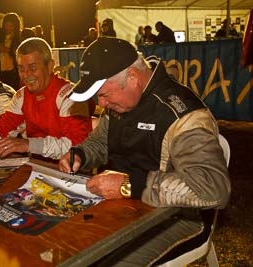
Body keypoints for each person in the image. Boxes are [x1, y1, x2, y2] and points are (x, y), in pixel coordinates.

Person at [59, 37, 231, 265]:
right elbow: (100, 143)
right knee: (62, 244)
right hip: (121, 209)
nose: (101, 104)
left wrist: (130, 185)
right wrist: (80, 154)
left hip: (176, 218)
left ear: (132, 77)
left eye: (104, 95)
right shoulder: (120, 101)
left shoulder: (185, 115)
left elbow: (213, 188)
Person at [0, 38, 92, 167]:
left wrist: (28, 145)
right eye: (21, 68)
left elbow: (76, 146)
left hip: (72, 171)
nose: (26, 75)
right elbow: (0, 130)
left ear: (50, 66)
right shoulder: (22, 95)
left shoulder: (71, 95)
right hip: (41, 167)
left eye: (32, 67)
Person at [0, 12, 21, 90]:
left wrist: (8, 50)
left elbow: (19, 53)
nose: (8, 28)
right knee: (1, 91)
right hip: (0, 69)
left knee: (13, 90)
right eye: (6, 25)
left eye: (11, 26)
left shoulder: (18, 37)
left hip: (13, 71)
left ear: (15, 26)